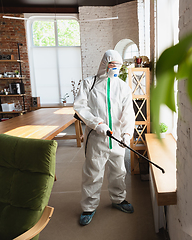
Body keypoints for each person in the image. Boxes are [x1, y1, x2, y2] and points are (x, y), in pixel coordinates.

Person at [74, 50, 135, 226]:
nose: (115, 68)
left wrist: (127, 133)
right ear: (104, 64)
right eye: (112, 65)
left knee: (119, 172)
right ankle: (89, 207)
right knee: (93, 173)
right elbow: (80, 107)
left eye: (118, 65)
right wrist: (97, 123)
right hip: (96, 138)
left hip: (116, 138)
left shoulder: (123, 87)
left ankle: (119, 200)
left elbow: (128, 114)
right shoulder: (89, 84)